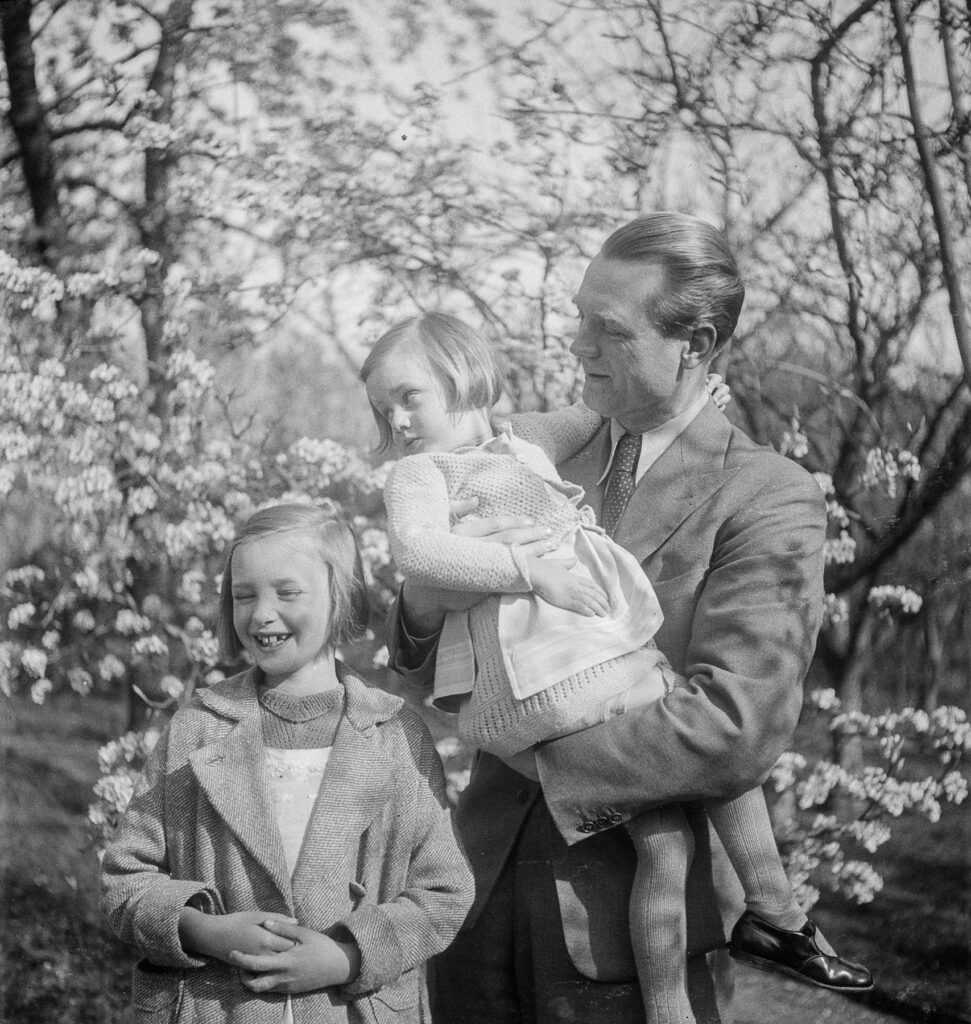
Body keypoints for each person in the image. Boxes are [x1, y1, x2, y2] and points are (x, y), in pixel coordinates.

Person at [387, 213, 867, 1024]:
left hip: (622, 947)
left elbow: (733, 723)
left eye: (606, 330)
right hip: (470, 903)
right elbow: (424, 662)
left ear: (697, 343)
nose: (576, 346)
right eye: (577, 317)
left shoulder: (765, 493)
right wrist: (423, 607)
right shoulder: (521, 457)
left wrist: (543, 760)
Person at [101, 504, 473, 1024]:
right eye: (243, 595)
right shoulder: (197, 727)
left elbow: (444, 891)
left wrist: (346, 956)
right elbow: (125, 880)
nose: (260, 614)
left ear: (341, 596)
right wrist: (203, 930)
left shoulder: (396, 736)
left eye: (287, 592)